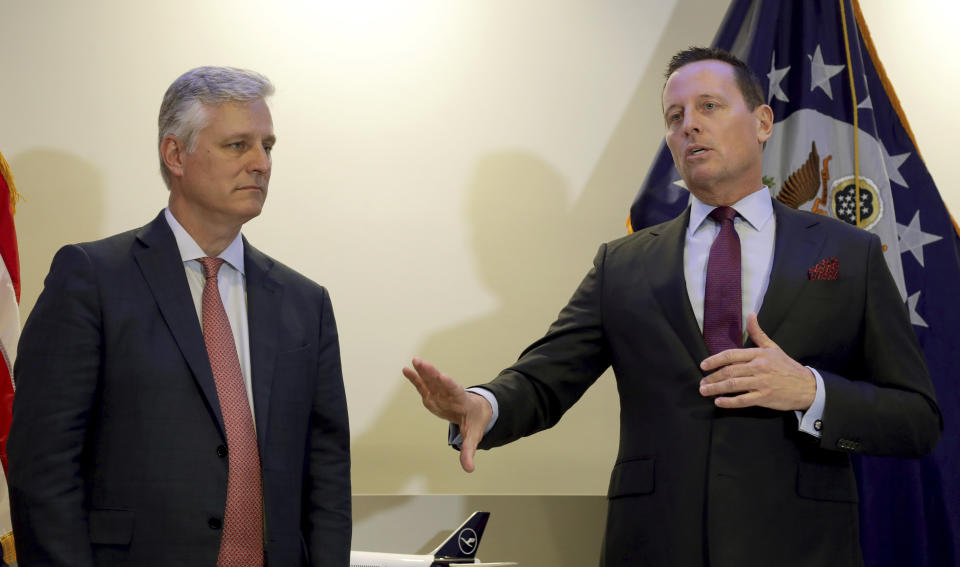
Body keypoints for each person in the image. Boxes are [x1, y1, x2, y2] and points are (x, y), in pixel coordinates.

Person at [403, 47, 941, 566]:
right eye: (674, 115)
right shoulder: (623, 263)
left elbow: (916, 419)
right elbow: (546, 378)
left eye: (709, 106)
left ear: (762, 122)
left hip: (802, 544)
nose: (689, 125)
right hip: (656, 542)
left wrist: (810, 391)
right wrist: (482, 407)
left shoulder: (850, 254)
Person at [8, 66, 351, 566]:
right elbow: (43, 467)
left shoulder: (304, 302)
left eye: (268, 146)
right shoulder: (91, 279)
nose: (260, 163)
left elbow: (327, 474)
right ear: (176, 154)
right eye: (238, 145)